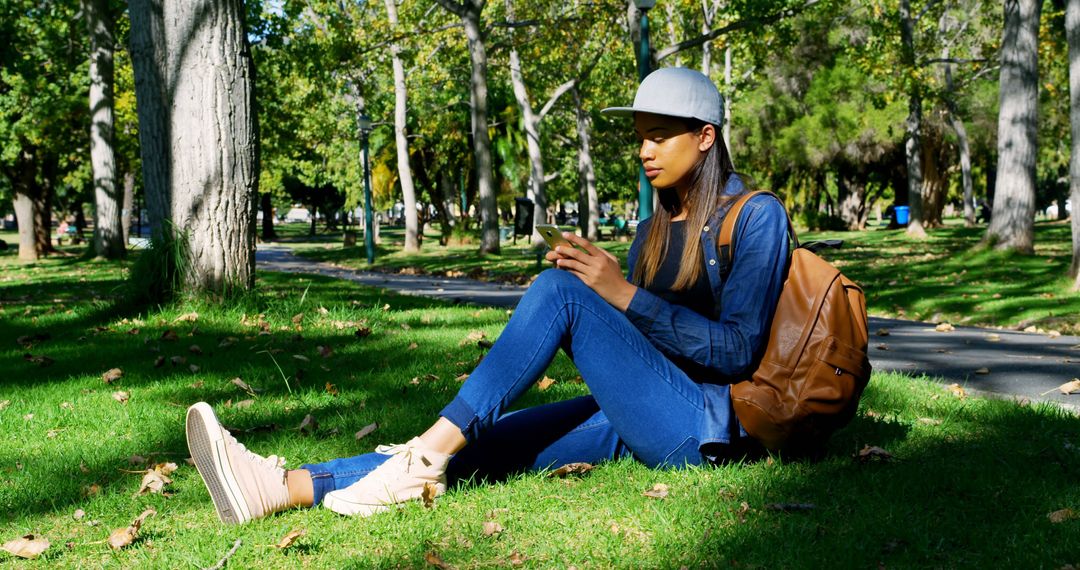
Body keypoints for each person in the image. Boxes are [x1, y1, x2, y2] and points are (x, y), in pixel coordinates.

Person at [184, 67, 790, 524]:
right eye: (639, 137)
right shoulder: (655, 229)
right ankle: (281, 487)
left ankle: (423, 456)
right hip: (644, 410)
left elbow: (736, 351)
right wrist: (611, 294)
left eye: (658, 136)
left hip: (706, 430)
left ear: (706, 137)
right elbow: (641, 343)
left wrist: (619, 294)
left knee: (559, 292)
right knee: (485, 439)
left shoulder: (758, 217)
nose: (643, 151)